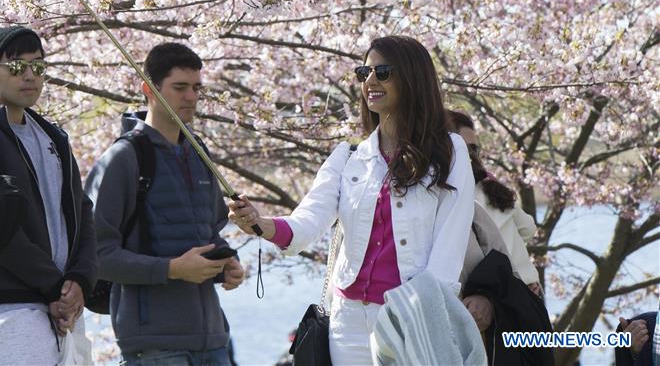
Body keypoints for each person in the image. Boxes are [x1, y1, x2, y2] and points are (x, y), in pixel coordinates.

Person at [229, 35, 474, 365]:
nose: (370, 81)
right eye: (364, 72)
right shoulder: (348, 157)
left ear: (413, 77)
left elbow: (450, 246)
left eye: (382, 72)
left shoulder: (449, 151)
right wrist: (261, 224)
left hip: (410, 317)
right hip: (348, 323)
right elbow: (307, 222)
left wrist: (423, 313)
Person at [0, 24, 97, 365]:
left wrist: (80, 280)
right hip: (13, 305)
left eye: (38, 66)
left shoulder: (53, 136)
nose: (30, 76)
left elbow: (82, 212)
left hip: (66, 306)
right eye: (15, 67)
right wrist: (56, 285)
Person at [85, 42, 245, 366]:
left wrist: (227, 264)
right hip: (155, 346)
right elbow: (96, 256)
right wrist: (172, 269)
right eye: (180, 87)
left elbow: (211, 234)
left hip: (213, 338)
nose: (191, 97)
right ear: (149, 89)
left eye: (197, 88)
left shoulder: (198, 153)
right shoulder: (123, 159)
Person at [448, 110, 542, 297]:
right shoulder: (492, 190)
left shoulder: (453, 197)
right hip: (527, 287)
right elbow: (529, 229)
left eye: (474, 149)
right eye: (467, 149)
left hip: (497, 294)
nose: (472, 155)